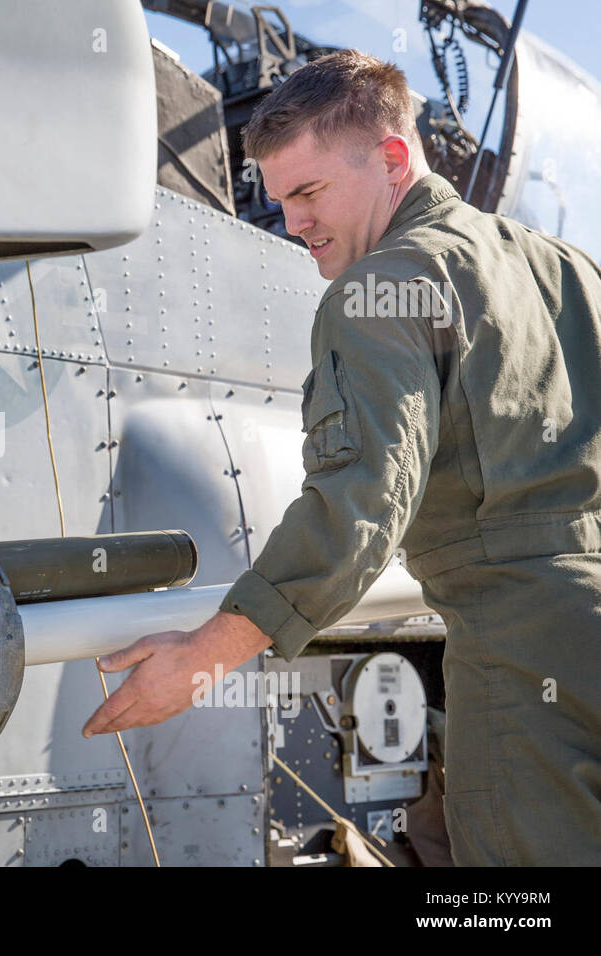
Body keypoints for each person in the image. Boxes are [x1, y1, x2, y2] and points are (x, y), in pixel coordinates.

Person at [82, 48, 601, 866]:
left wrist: (203, 658)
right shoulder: (565, 269)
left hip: (522, 656)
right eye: (280, 200)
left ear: (394, 159)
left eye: (310, 192)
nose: (292, 225)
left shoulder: (380, 286)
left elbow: (362, 504)